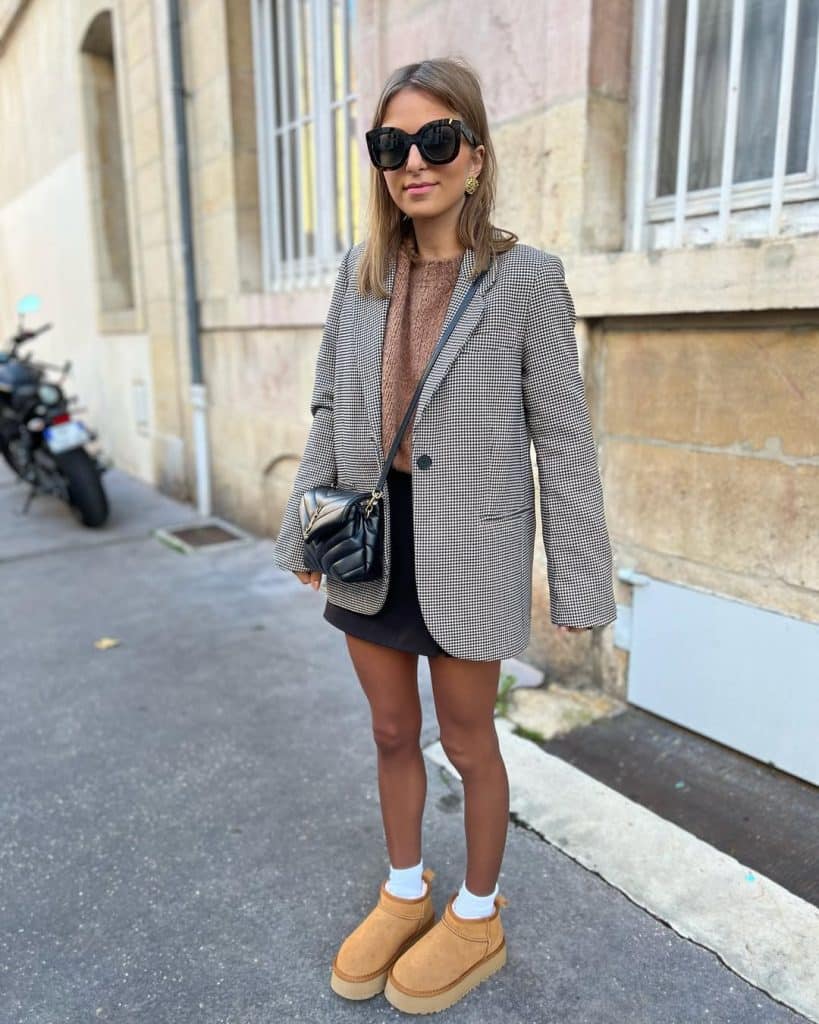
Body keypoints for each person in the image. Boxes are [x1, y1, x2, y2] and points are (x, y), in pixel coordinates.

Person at [274, 56, 617, 1015]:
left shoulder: (527, 280)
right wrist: (307, 530)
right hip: (372, 537)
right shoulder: (360, 274)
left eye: (434, 140)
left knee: (468, 741)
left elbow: (562, 437)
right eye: (392, 145)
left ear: (474, 152)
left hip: (473, 541)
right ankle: (403, 889)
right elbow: (331, 404)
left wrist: (583, 586)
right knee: (390, 730)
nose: (412, 162)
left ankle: (476, 911)